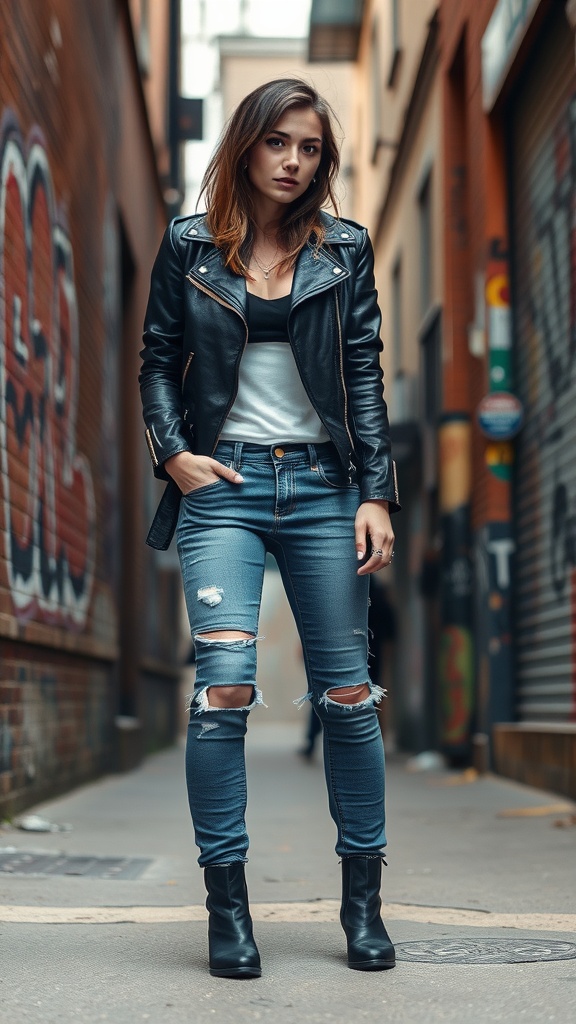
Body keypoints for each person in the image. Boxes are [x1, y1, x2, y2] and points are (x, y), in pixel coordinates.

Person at [139, 79, 400, 979]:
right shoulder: (189, 247)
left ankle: (363, 903)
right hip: (225, 484)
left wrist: (376, 491)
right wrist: (172, 453)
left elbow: (363, 372)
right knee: (224, 686)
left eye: (311, 149)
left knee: (349, 696)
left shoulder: (347, 251)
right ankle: (227, 911)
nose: (294, 162)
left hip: (327, 487)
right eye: (279, 143)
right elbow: (158, 363)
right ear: (247, 144)